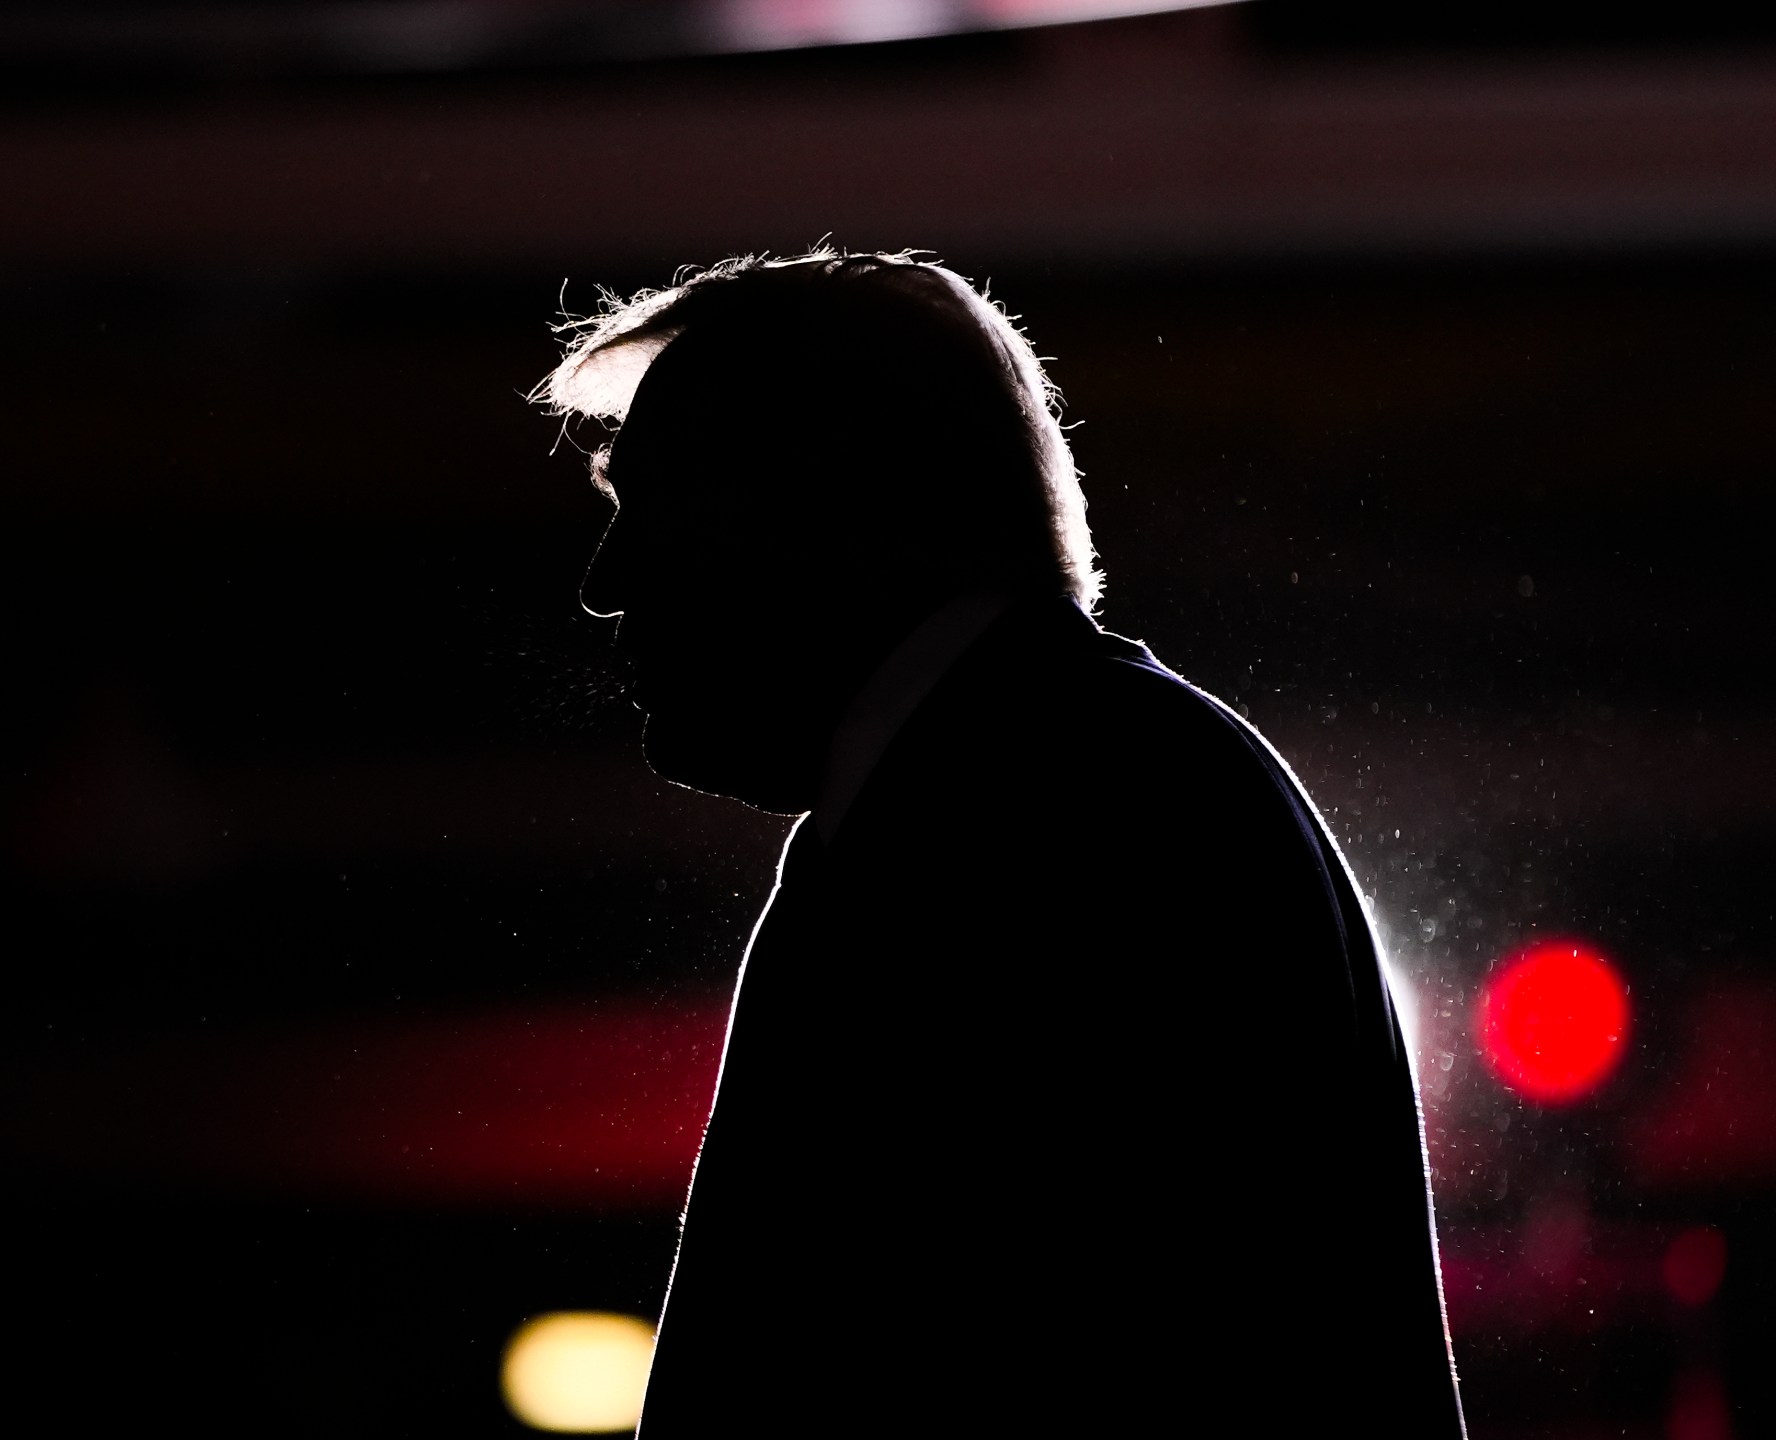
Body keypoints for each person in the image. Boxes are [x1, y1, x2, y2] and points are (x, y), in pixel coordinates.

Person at [535, 251, 1466, 1436]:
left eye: (662, 505)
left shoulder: (1042, 816)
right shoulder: (1095, 782)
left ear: (832, 505)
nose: (608, 585)